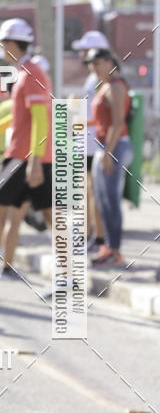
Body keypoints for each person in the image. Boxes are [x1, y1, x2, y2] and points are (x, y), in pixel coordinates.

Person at [0, 18, 53, 277]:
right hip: (29, 156)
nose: (1, 48)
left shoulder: (31, 73)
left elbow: (41, 118)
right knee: (50, 216)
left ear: (11, 44)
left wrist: (33, 160)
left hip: (24, 158)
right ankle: (71, 278)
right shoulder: (26, 72)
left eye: (2, 43)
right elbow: (19, 117)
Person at [85, 47, 133, 268]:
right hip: (103, 146)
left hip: (113, 146)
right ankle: (106, 247)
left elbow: (117, 122)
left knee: (111, 201)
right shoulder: (104, 86)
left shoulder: (115, 86)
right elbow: (102, 122)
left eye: (96, 63)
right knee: (102, 202)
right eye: (91, 64)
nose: (93, 68)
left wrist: (107, 153)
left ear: (108, 62)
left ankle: (115, 250)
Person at [72, 30, 110, 252]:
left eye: (86, 51)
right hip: (86, 142)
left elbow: (101, 115)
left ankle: (97, 238)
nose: (82, 54)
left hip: (94, 143)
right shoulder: (93, 77)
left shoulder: (99, 78)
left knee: (93, 192)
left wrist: (78, 123)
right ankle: (89, 236)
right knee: (86, 192)